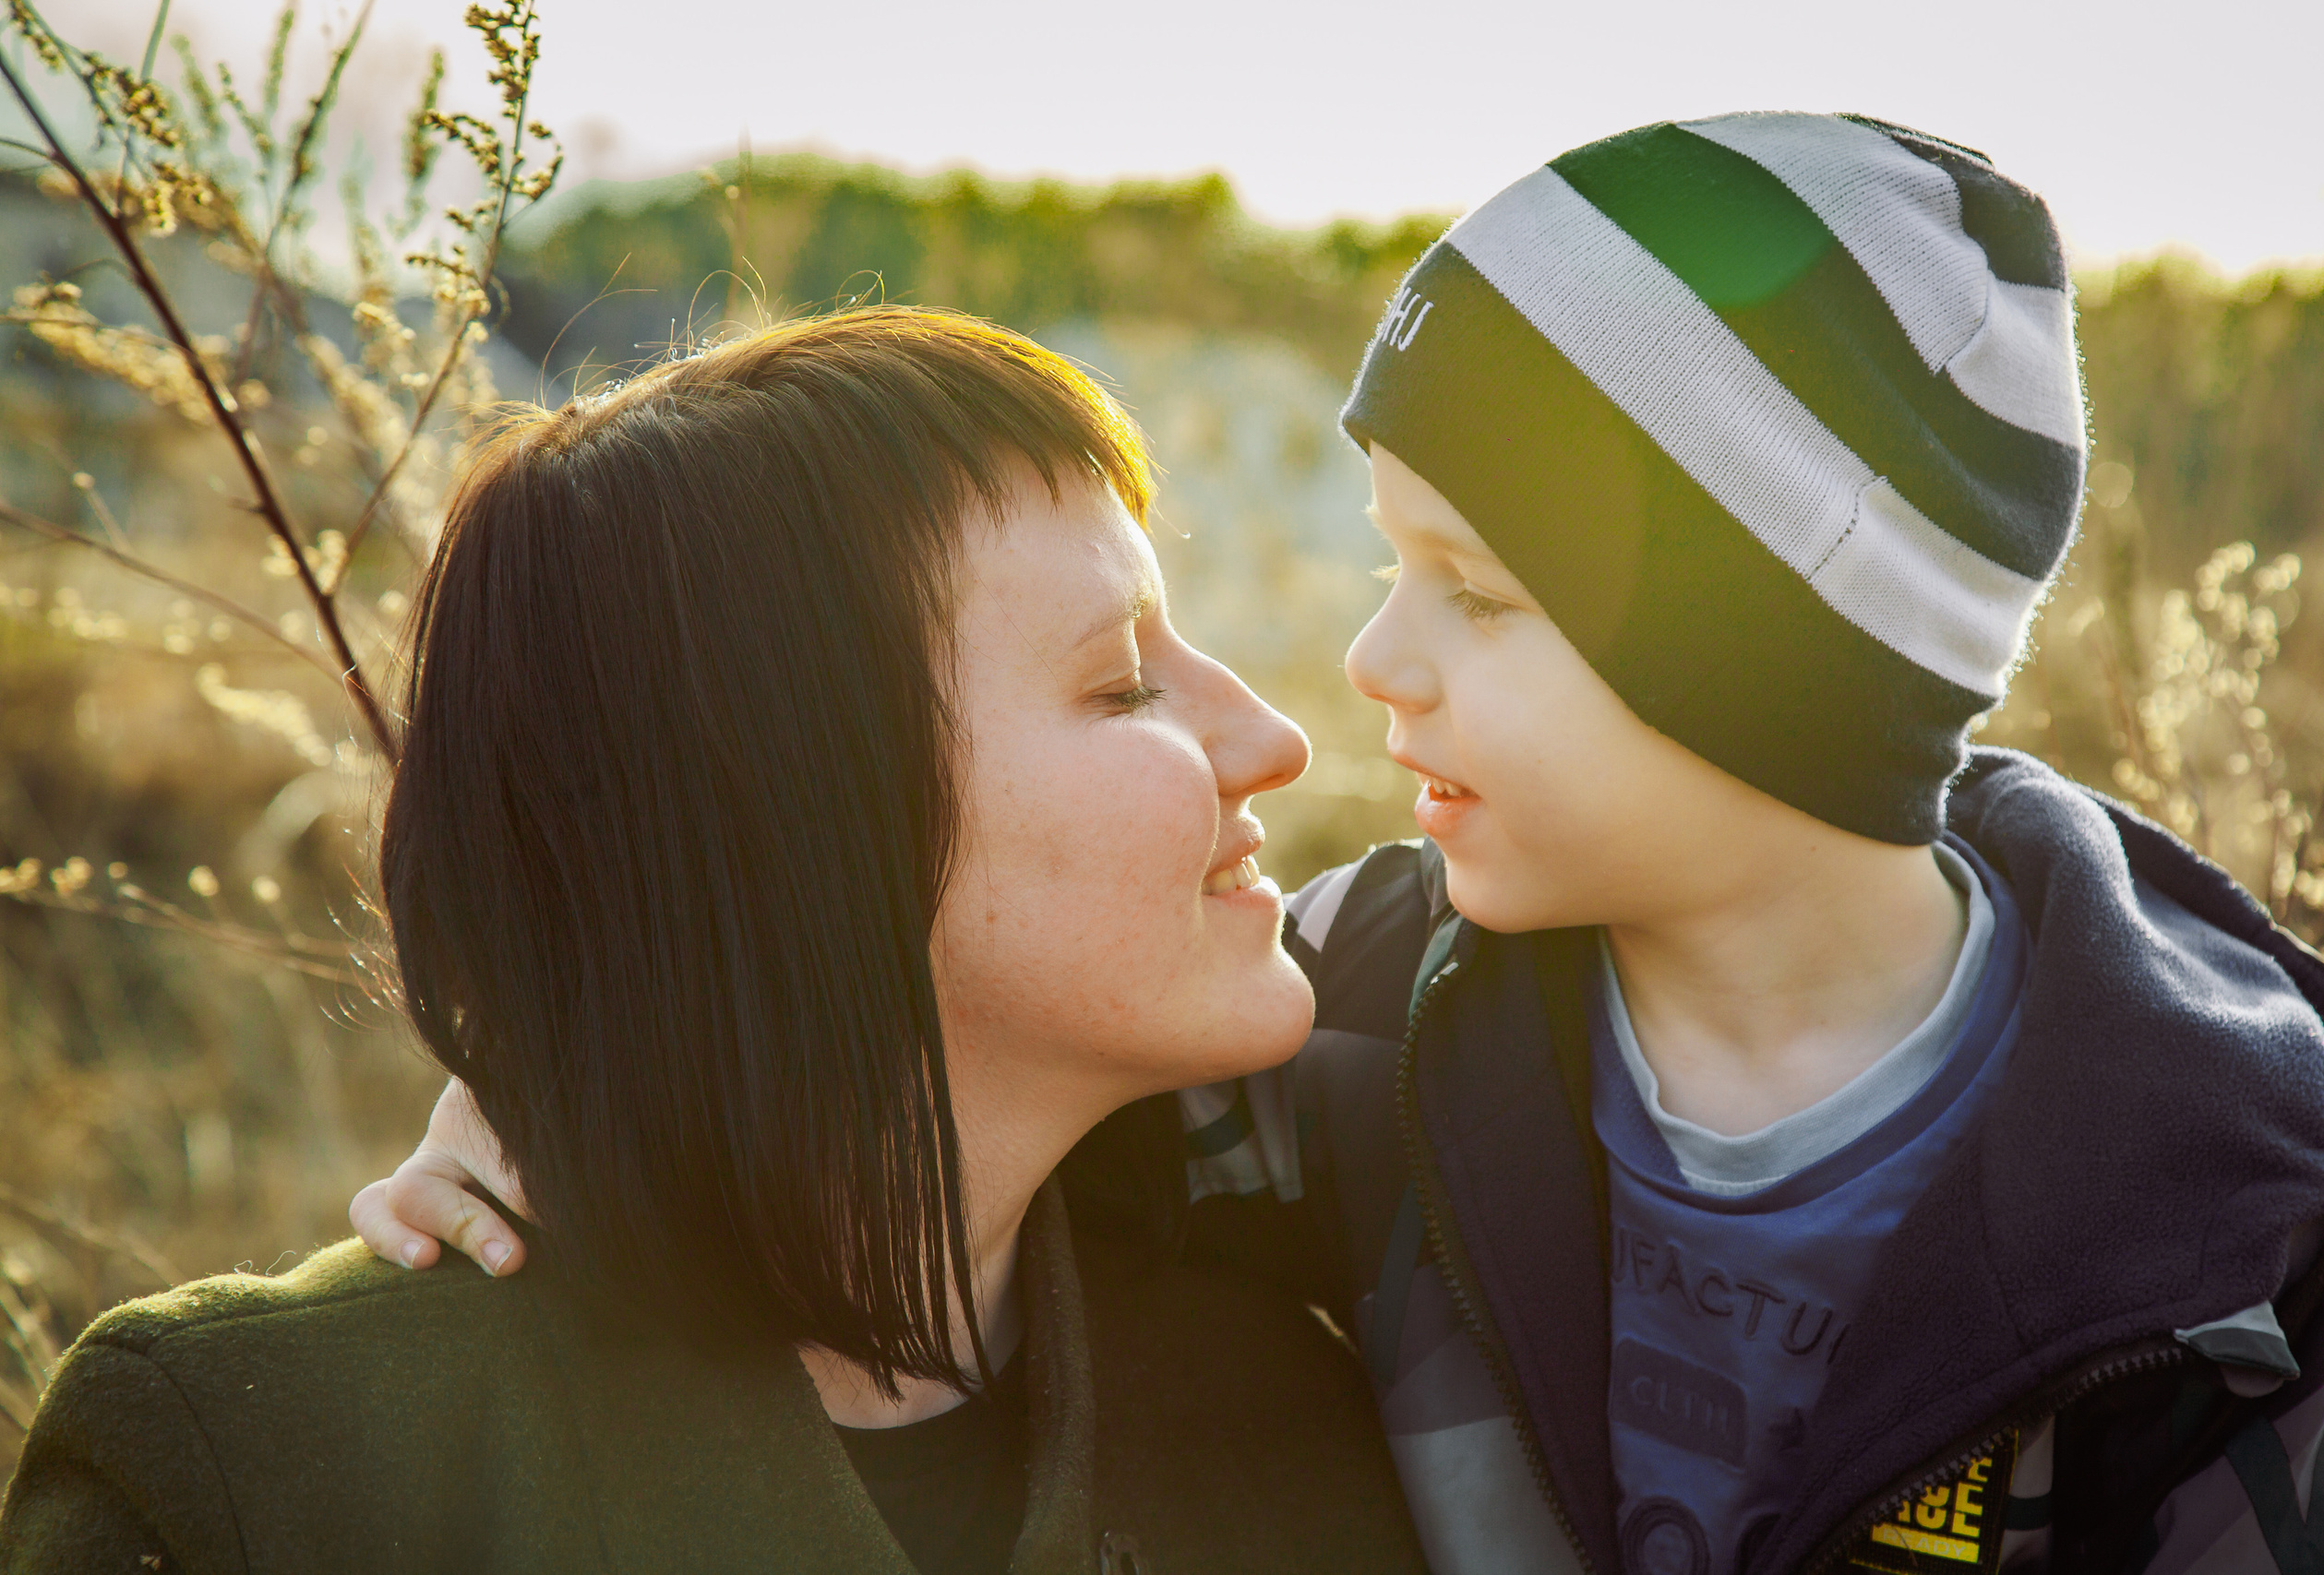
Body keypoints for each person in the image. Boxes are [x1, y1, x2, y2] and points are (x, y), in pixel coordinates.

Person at [352, 115, 2324, 1571]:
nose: (1361, 668)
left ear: (1769, 672)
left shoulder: (2220, 1242)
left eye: (1474, 593)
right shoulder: (1357, 1028)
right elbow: (902, 1071)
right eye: (1390, 561)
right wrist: (553, 1088)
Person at [0, 310, 1430, 1575]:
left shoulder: (1298, 1416)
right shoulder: (265, 1476)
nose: (1274, 739)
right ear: (791, 821)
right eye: (1122, 685)